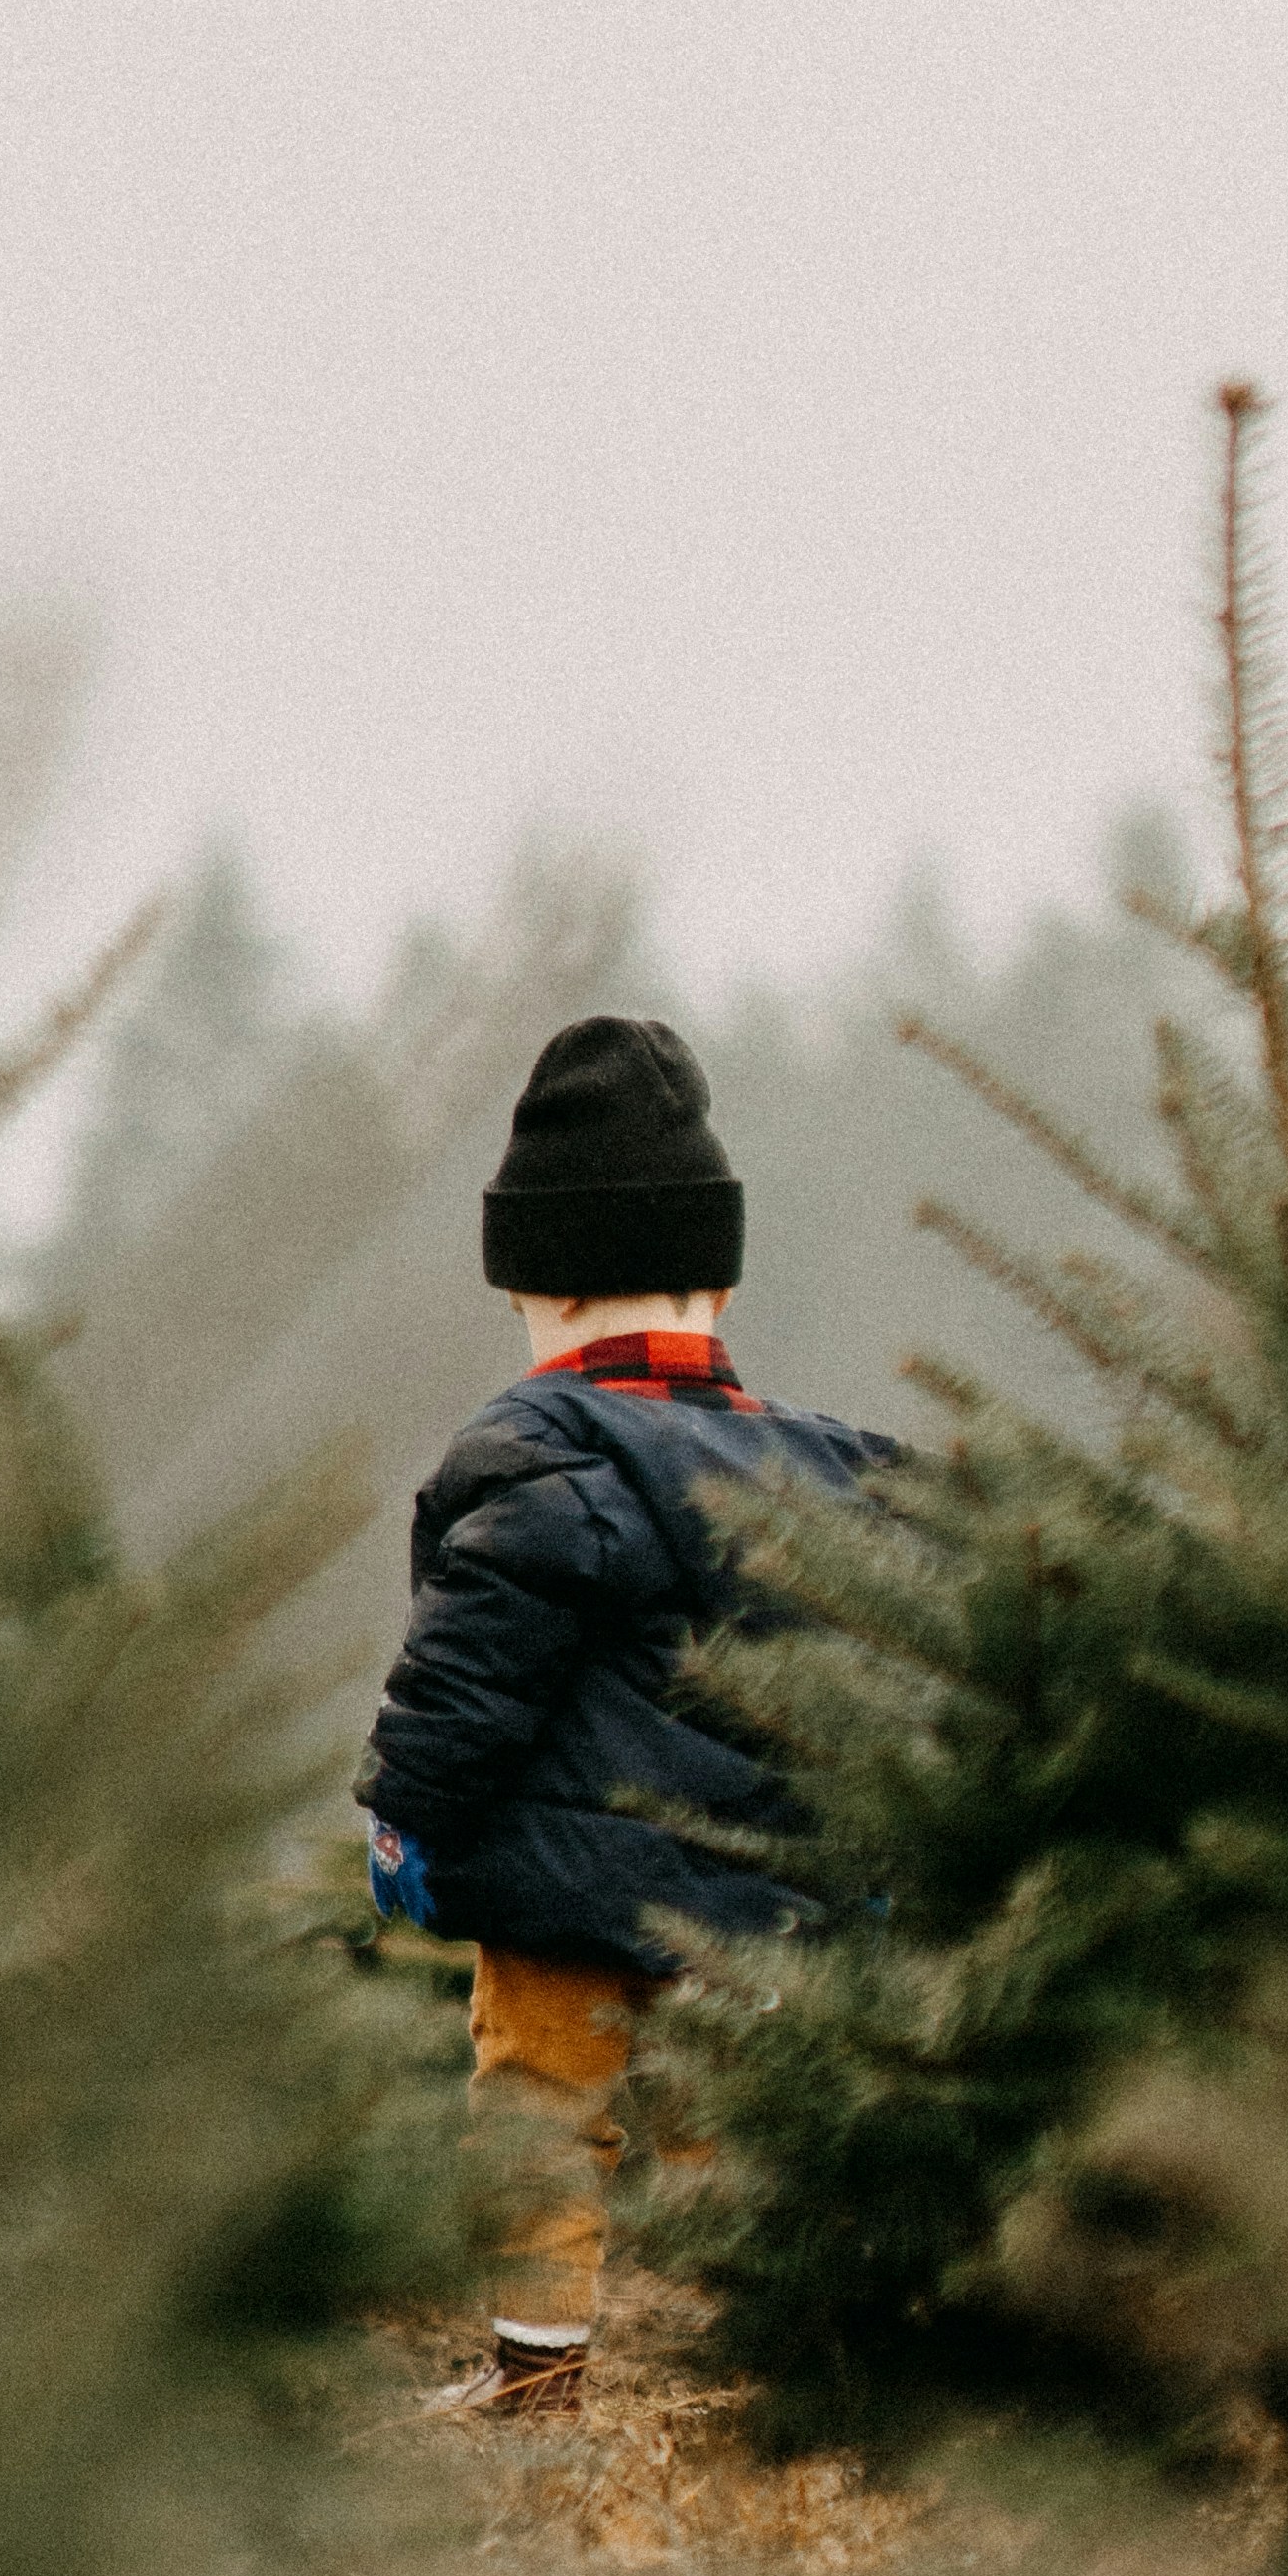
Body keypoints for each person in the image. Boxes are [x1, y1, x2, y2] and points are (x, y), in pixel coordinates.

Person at [357, 1012, 889, 2413]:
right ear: (712, 1288)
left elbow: (464, 1679)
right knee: (731, 2131)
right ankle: (756, 2366)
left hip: (556, 1896)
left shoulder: (533, 1459)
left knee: (536, 2108)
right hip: (746, 1900)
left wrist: (404, 1816)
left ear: (540, 1298)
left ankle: (535, 2370)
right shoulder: (806, 1472)